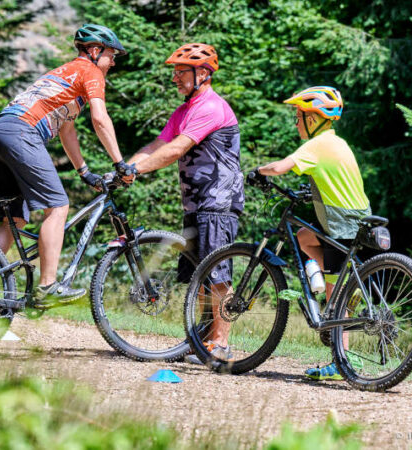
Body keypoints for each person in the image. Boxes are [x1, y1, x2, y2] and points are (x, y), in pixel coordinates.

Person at [0, 24, 136, 309]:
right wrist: (120, 163)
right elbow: (101, 119)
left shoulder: (65, 72)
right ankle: (47, 287)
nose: (113, 61)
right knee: (59, 207)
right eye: (112, 54)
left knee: (14, 219)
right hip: (22, 133)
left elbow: (67, 131)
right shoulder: (91, 73)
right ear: (95, 51)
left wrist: (85, 172)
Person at [124, 43, 244, 362]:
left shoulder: (211, 107)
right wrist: (125, 167)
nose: (175, 78)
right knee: (198, 274)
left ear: (202, 73)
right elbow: (158, 144)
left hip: (217, 202)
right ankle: (200, 341)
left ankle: (220, 343)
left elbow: (176, 150)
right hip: (196, 205)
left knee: (216, 274)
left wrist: (135, 169)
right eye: (175, 72)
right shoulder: (183, 111)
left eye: (181, 72)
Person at [249, 86, 370, 380]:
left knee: (335, 293)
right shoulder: (337, 143)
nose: (296, 122)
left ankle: (341, 364)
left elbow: (280, 167)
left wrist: (256, 171)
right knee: (304, 237)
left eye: (299, 116)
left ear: (313, 118)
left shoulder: (316, 146)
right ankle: (327, 286)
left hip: (340, 224)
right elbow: (332, 179)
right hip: (357, 218)